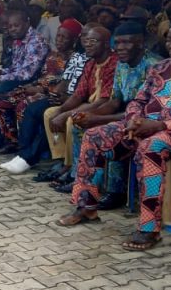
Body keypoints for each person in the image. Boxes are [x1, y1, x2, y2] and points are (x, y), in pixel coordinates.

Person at [57, 16, 171, 251]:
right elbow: (137, 101)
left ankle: (149, 230)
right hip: (145, 127)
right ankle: (86, 207)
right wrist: (133, 121)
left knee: (152, 146)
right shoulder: (160, 69)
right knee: (95, 135)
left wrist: (159, 126)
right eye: (169, 39)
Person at [62, 22, 161, 209]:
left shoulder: (154, 66)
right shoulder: (122, 65)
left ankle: (116, 191)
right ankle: (82, 182)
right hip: (123, 113)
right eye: (118, 43)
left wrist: (98, 119)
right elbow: (114, 101)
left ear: (140, 42)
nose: (120, 48)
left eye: (127, 43)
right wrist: (88, 115)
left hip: (147, 120)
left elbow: (147, 110)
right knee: (80, 125)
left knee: (111, 133)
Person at [0, 19, 83, 163]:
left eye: (64, 37)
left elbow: (64, 85)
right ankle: (11, 141)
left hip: (49, 94)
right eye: (58, 36)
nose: (59, 40)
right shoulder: (52, 55)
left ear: (74, 39)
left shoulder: (76, 60)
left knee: (24, 105)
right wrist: (30, 86)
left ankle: (25, 148)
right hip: (36, 87)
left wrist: (41, 89)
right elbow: (42, 75)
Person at [43, 26, 117, 192]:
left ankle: (74, 171)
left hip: (104, 109)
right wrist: (60, 110)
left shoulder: (114, 63)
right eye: (87, 41)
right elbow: (78, 95)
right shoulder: (90, 63)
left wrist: (66, 114)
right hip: (90, 103)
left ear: (106, 44)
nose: (88, 45)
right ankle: (62, 161)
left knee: (72, 119)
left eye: (93, 41)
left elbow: (104, 100)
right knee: (50, 113)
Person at [0, 8, 50, 140]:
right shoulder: (18, 40)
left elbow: (27, 74)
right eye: (10, 26)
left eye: (16, 25)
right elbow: (15, 67)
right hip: (18, 77)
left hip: (33, 82)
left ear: (27, 22)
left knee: (2, 87)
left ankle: (3, 135)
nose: (12, 29)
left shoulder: (36, 41)